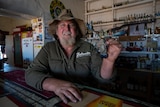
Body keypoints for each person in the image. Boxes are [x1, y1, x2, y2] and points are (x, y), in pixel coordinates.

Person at [25, 9, 122, 104]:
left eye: (71, 25)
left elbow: (103, 79)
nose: (67, 29)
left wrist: (109, 60)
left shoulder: (89, 48)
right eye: (62, 25)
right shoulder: (48, 48)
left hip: (84, 98)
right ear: (57, 32)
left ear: (76, 31)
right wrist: (54, 85)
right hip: (56, 99)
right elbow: (30, 74)